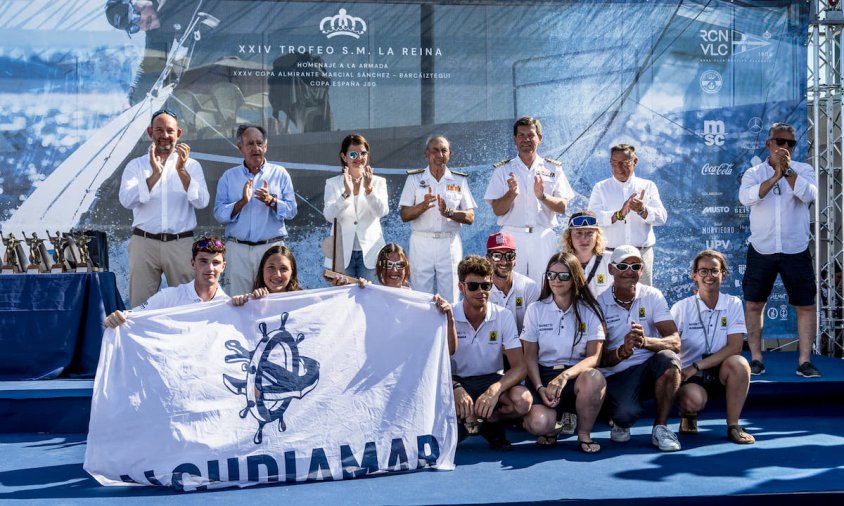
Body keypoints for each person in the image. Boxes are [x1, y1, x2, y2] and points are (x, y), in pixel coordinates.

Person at [738, 122, 820, 378]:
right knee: (753, 304)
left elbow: (809, 195)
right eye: (780, 142)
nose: (785, 147)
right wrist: (774, 176)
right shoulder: (753, 172)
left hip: (795, 248)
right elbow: (747, 198)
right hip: (762, 247)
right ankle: (756, 358)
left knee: (805, 305)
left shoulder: (803, 169)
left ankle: (805, 360)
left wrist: (787, 172)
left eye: (791, 143)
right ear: (768, 144)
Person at [118, 108, 210, 308]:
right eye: (159, 130)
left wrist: (182, 171)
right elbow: (126, 200)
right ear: (150, 133)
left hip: (181, 244)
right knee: (140, 305)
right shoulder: (136, 166)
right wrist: (154, 176)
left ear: (178, 134)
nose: (164, 136)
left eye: (169, 130)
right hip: (144, 243)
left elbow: (202, 202)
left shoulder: (192, 166)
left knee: (188, 304)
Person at [598, 245, 682, 452]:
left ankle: (660, 428)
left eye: (635, 265)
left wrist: (644, 342)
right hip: (618, 374)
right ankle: (620, 417)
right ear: (611, 270)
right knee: (624, 416)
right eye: (623, 265)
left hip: (648, 367)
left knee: (669, 358)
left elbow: (675, 341)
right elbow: (597, 358)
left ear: (642, 270)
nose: (629, 270)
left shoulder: (652, 295)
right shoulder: (599, 303)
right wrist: (622, 352)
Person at [521, 252, 606, 453]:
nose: (556, 281)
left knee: (594, 378)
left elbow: (594, 357)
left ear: (575, 277)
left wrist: (564, 376)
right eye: (551, 275)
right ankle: (554, 426)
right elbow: (529, 356)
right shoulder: (535, 309)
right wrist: (540, 387)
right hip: (544, 377)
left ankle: (584, 434)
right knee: (539, 424)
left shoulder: (590, 310)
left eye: (563, 276)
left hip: (575, 377)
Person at [671, 250, 755, 444]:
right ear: (694, 276)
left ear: (723, 274)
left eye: (714, 271)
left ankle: (733, 425)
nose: (709, 276)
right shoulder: (681, 307)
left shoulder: (733, 303)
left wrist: (697, 365)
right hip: (692, 377)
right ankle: (688, 414)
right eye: (703, 271)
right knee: (693, 401)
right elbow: (670, 346)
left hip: (720, 371)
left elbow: (735, 347)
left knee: (740, 364)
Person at [451, 255, 532, 450]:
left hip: (491, 379)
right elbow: (433, 366)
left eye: (486, 286)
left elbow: (520, 368)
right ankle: (464, 421)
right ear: (461, 287)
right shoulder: (448, 315)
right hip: (455, 381)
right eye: (473, 286)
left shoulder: (503, 315)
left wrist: (494, 391)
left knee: (523, 402)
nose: (481, 291)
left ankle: (487, 421)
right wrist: (454, 387)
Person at [484, 116, 574, 286]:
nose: (526, 140)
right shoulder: (503, 170)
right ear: (515, 139)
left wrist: (542, 196)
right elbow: (497, 209)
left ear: (540, 138)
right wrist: (511, 194)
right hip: (512, 236)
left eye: (531, 135)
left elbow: (563, 207)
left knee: (544, 286)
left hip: (542, 235)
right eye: (521, 135)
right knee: (511, 285)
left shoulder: (553, 168)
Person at [213, 125, 297, 295]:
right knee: (237, 303)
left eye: (259, 143)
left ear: (265, 147)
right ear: (240, 148)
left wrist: (271, 201)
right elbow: (219, 214)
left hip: (271, 250)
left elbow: (291, 211)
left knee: (272, 304)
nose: (255, 148)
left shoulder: (279, 174)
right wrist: (242, 202)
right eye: (250, 143)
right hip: (238, 251)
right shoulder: (229, 177)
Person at [399, 135, 476, 302]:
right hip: (421, 242)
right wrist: (423, 206)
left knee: (451, 297)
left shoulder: (459, 180)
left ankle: (450, 328)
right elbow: (404, 214)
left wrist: (450, 213)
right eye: (435, 150)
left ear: (450, 154)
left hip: (448, 243)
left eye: (444, 150)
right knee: (420, 296)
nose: (440, 154)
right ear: (427, 153)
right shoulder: (414, 179)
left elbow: (470, 216)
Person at [587, 144, 668, 286]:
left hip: (641, 255)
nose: (618, 168)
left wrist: (643, 210)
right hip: (609, 255)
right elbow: (593, 219)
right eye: (614, 163)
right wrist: (619, 213)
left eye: (624, 163)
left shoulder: (648, 186)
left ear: (634, 161)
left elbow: (662, 217)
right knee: (607, 300)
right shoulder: (601, 187)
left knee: (642, 298)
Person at [104, 237, 228, 327]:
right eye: (203, 261)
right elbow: (132, 316)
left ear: (223, 266)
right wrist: (114, 319)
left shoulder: (229, 305)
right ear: (193, 263)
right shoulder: (169, 296)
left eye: (216, 263)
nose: (210, 268)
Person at [322, 133, 389, 281]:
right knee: (342, 301)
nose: (359, 158)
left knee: (371, 300)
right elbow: (329, 216)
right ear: (344, 157)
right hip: (341, 254)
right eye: (353, 154)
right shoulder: (333, 183)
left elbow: (382, 211)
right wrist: (346, 193)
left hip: (371, 253)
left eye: (363, 153)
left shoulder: (378, 182)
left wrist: (369, 189)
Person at [485, 231, 540, 334]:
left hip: (523, 347)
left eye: (509, 255)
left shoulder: (529, 287)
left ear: (515, 259)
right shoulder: (481, 289)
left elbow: (534, 331)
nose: (504, 261)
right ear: (488, 259)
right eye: (497, 256)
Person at [562, 210, 613, 298]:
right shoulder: (562, 263)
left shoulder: (611, 260)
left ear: (597, 235)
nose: (584, 238)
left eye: (590, 233)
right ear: (569, 237)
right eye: (578, 233)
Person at [230, 245, 301, 306]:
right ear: (262, 270)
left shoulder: (304, 301)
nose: (277, 274)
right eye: (271, 267)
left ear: (292, 272)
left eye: (283, 269)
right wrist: (241, 304)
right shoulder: (251, 303)